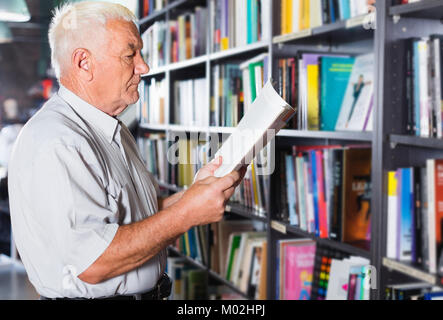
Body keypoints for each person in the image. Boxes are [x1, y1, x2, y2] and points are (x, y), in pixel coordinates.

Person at [7, 1, 245, 300]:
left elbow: (132, 218)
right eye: (130, 54)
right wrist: (187, 214)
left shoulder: (107, 127)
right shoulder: (60, 141)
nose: (144, 66)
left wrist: (197, 193)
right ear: (83, 63)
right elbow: (94, 262)